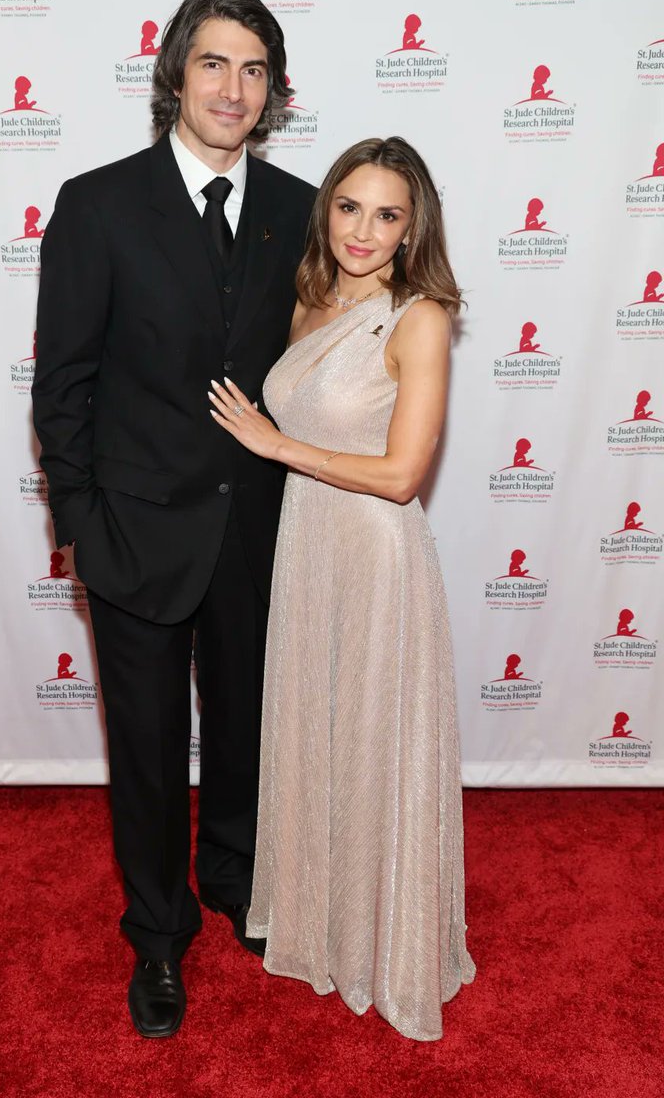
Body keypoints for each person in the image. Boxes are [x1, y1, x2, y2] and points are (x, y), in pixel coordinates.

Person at [31, 0, 315, 1039]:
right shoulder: (98, 203)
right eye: (212, 63)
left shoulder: (298, 206)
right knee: (148, 749)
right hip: (135, 534)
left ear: (271, 91)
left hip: (256, 532)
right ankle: (156, 937)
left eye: (252, 69)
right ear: (175, 77)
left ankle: (232, 887)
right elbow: (62, 381)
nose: (231, 88)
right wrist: (79, 523)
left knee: (244, 728)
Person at [208, 136, 474, 1040]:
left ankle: (386, 942)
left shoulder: (420, 316)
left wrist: (278, 447)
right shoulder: (312, 298)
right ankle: (321, 920)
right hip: (307, 547)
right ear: (327, 210)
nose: (364, 230)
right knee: (315, 731)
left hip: (373, 552)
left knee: (369, 739)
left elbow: (402, 475)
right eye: (350, 206)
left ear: (412, 228)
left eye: (388, 214)